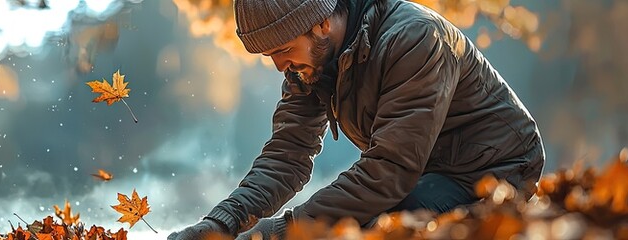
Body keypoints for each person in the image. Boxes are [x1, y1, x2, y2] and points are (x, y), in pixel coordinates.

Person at [168, 0, 544, 239]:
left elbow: (389, 171)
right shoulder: (311, 64)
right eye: (269, 55)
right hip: (422, 170)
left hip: (489, 172)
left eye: (282, 49)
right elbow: (287, 156)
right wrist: (222, 223)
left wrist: (283, 230)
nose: (279, 65)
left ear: (321, 24)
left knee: (371, 230)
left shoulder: (414, 38)